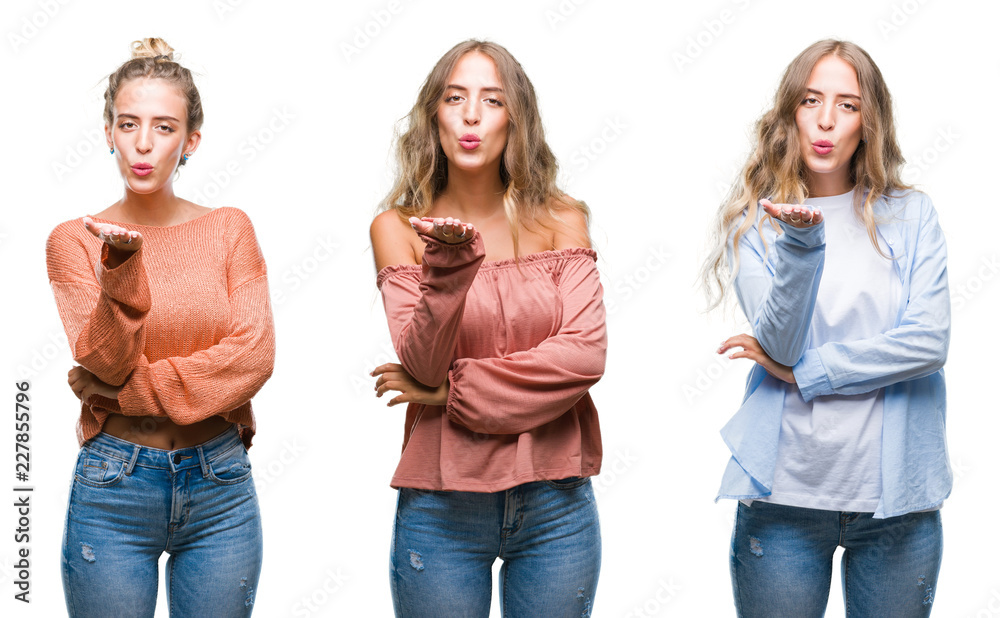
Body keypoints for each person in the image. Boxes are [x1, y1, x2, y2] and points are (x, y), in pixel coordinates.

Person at [701, 39, 951, 617]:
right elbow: (782, 341)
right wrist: (803, 244)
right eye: (811, 99)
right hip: (785, 497)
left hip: (896, 508)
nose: (824, 120)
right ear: (790, 111)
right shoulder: (756, 223)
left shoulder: (911, 215)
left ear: (870, 122)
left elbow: (928, 342)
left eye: (847, 104)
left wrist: (807, 371)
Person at [369, 40, 607, 617]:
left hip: (556, 503)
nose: (471, 114)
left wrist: (454, 391)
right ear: (435, 116)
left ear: (515, 118)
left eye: (491, 99)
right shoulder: (397, 228)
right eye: (455, 97)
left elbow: (585, 356)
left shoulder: (560, 218)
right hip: (442, 506)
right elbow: (421, 363)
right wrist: (448, 266)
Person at [45, 38, 274, 617]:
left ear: (190, 140)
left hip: (219, 483)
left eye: (164, 127)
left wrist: (130, 394)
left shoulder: (229, 229)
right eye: (128, 124)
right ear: (108, 133)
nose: (144, 144)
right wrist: (120, 269)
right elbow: (104, 361)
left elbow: (254, 356)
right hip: (113, 485)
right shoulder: (74, 240)